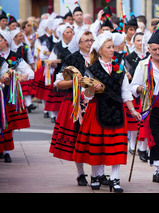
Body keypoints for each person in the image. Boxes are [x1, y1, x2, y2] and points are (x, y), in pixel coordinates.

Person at [72, 32, 141, 193]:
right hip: (97, 110)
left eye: (112, 47)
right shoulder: (92, 69)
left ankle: (115, 179)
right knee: (98, 145)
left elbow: (125, 92)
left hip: (117, 111)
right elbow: (86, 96)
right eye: (108, 47)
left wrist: (132, 110)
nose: (112, 50)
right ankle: (95, 175)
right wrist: (90, 89)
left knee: (115, 146)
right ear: (101, 50)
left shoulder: (120, 69)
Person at [130, 29, 159, 184]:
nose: (158, 52)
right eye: (154, 49)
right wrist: (140, 89)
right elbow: (133, 86)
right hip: (151, 107)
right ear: (149, 50)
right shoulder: (143, 65)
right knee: (156, 138)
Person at [49, 30, 94, 186]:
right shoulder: (71, 59)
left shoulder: (99, 58)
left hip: (95, 103)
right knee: (77, 138)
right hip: (75, 103)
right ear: (79, 43)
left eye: (91, 39)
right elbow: (58, 83)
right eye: (86, 40)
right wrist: (77, 82)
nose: (89, 43)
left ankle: (98, 174)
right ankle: (81, 173)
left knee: (95, 139)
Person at [0, 30, 34, 163]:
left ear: (6, 41)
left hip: (11, 93)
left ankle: (7, 150)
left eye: (0, 39)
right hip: (1, 91)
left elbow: (30, 72)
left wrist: (24, 76)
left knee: (9, 122)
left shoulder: (15, 56)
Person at [124, 31, 150, 161]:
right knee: (135, 123)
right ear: (133, 42)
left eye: (143, 40)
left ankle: (143, 146)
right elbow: (126, 75)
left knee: (146, 121)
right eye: (138, 40)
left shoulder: (150, 55)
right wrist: (128, 76)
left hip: (148, 93)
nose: (141, 43)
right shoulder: (129, 58)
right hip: (135, 91)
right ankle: (133, 143)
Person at [45, 23, 75, 123]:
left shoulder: (75, 46)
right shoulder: (57, 46)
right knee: (58, 95)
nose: (70, 34)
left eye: (71, 31)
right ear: (63, 34)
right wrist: (53, 63)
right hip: (60, 72)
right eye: (68, 32)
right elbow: (51, 60)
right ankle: (55, 115)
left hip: (72, 74)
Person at [10, 29, 36, 112]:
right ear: (14, 38)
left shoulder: (24, 46)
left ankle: (28, 104)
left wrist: (31, 66)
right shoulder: (10, 47)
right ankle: (24, 104)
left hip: (23, 68)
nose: (22, 37)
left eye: (22, 36)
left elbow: (29, 57)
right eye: (20, 36)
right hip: (13, 70)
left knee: (26, 86)